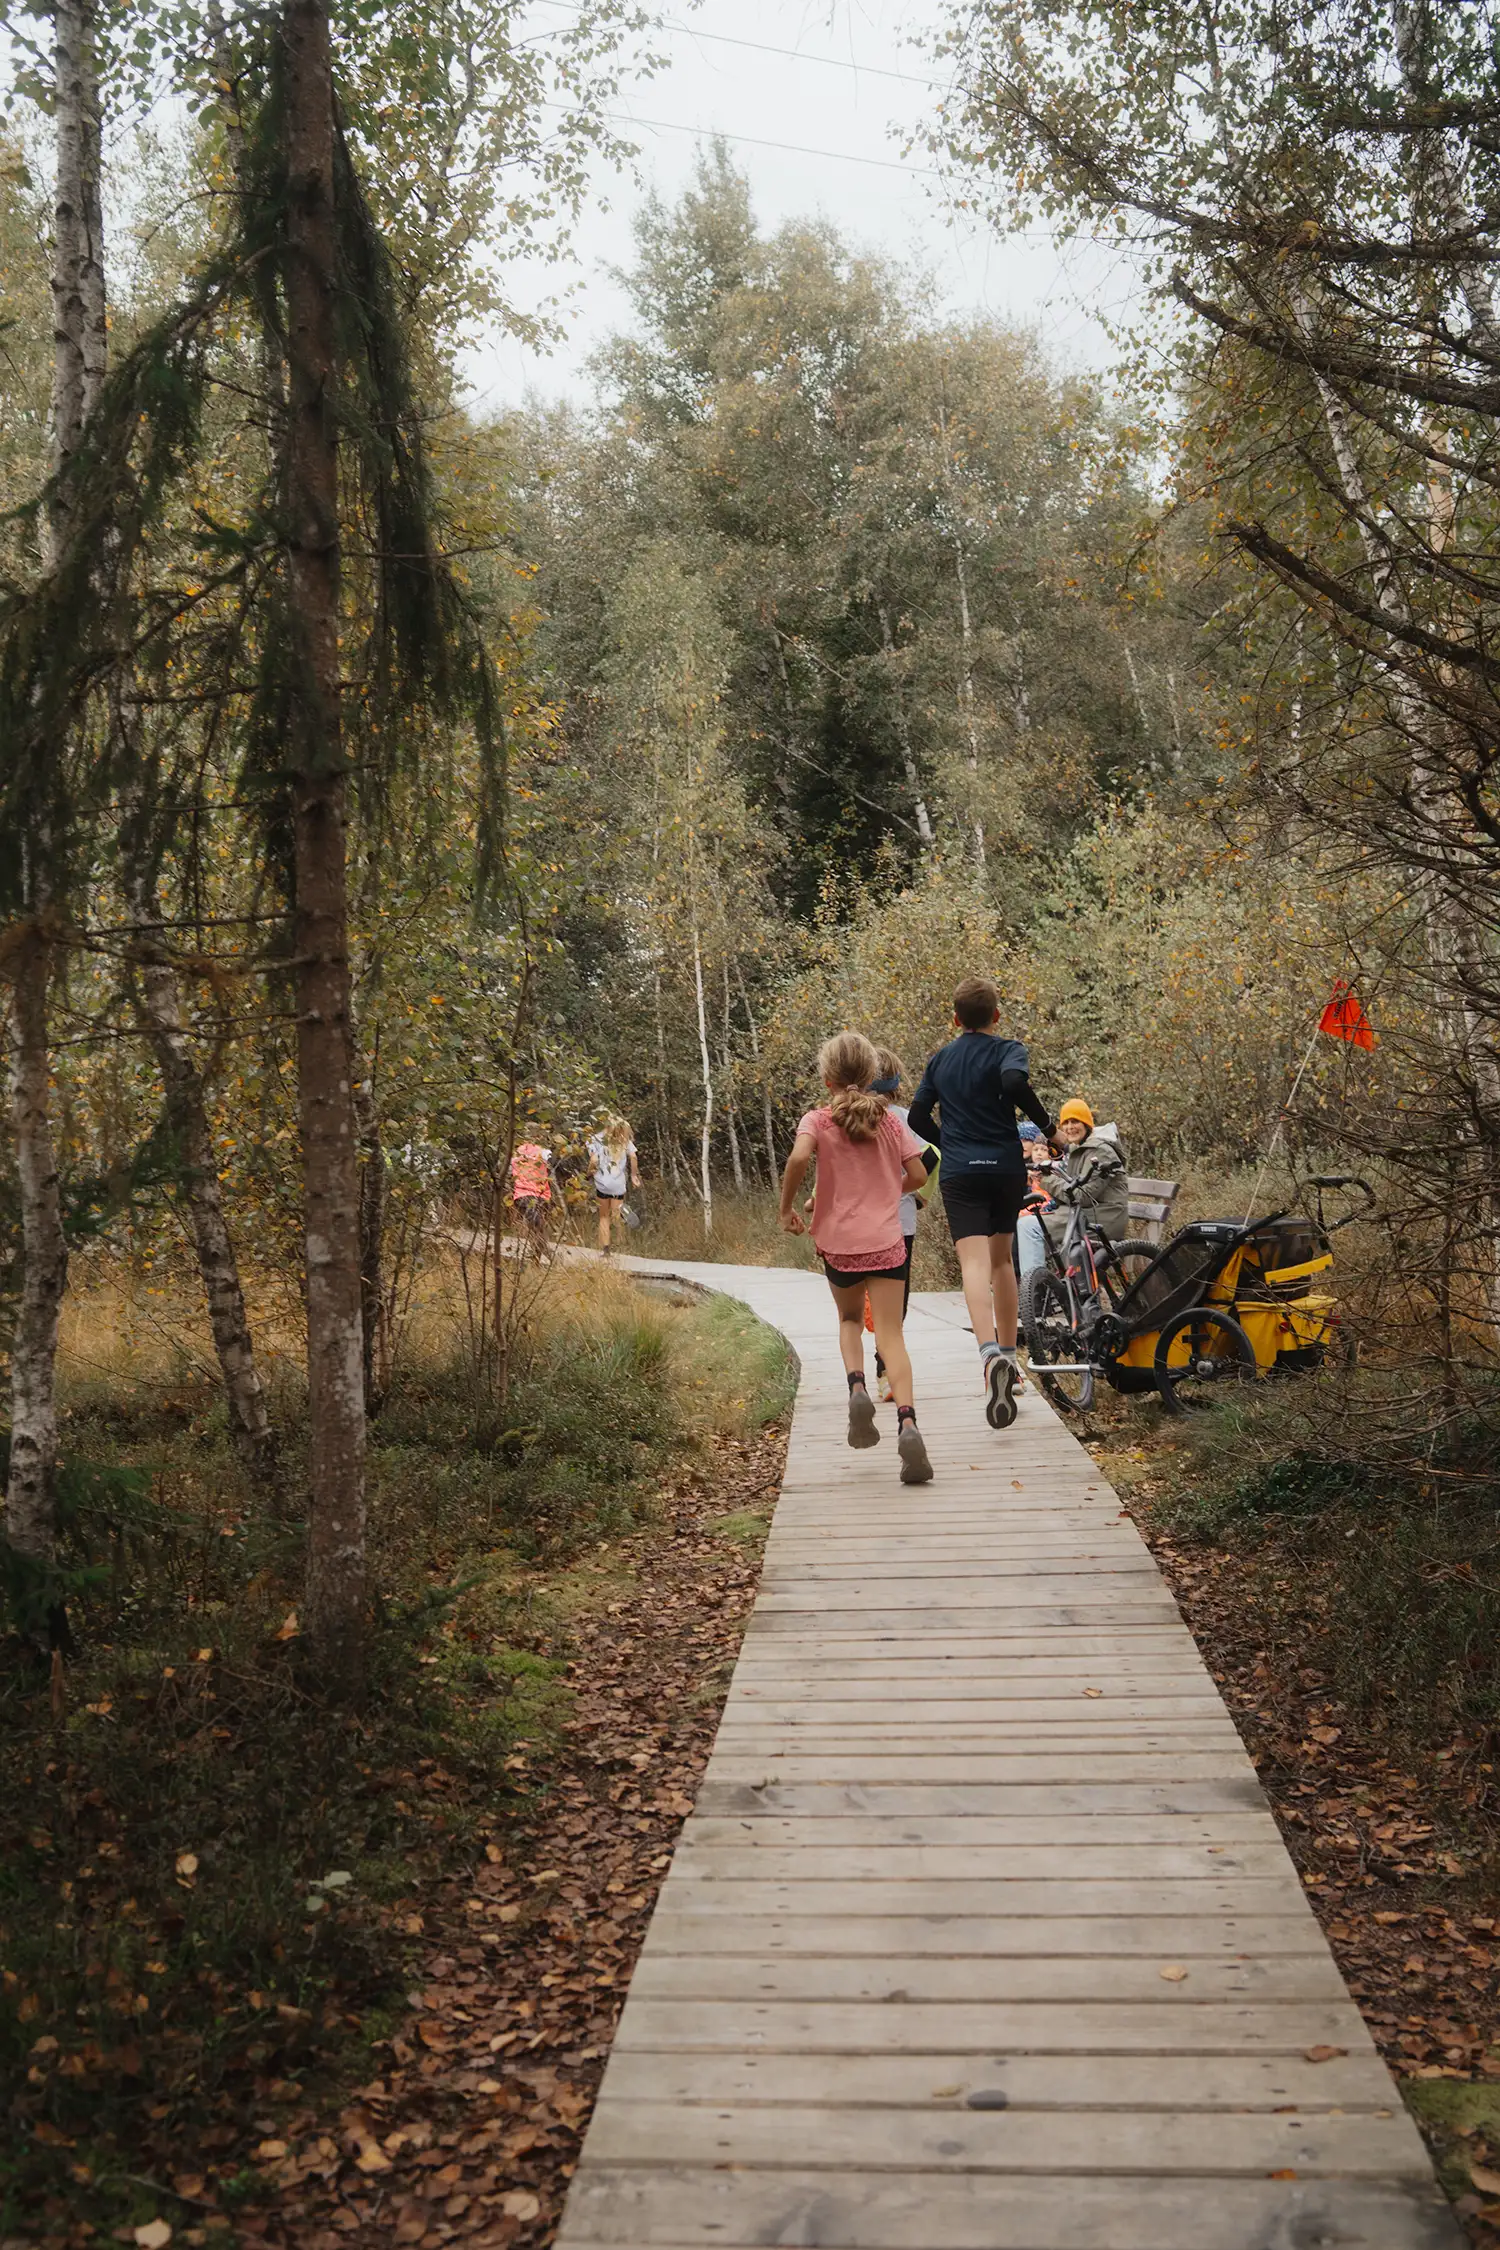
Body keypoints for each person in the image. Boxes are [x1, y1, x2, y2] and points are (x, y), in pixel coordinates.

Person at [779, 1030, 934, 1485]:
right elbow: (920, 1174)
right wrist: (887, 1192)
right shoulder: (889, 1121)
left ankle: (858, 1387)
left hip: (840, 1244)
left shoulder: (817, 1120)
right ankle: (907, 1422)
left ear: (827, 1077)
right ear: (870, 1076)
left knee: (850, 1321)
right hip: (887, 1240)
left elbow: (799, 1159)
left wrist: (789, 1206)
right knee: (892, 1334)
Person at [908, 976, 1055, 1431]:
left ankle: (989, 1356)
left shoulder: (940, 1060)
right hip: (1004, 1167)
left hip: (962, 1172)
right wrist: (1046, 1127)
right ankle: (1011, 1364)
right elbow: (1013, 1081)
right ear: (996, 1016)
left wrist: (949, 1144)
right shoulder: (1009, 1049)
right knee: (1001, 1263)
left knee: (972, 1264)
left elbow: (916, 1117)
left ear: (955, 1020)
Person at [869, 1047, 937, 1403]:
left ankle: (880, 1367)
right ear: (896, 1081)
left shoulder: (851, 1117)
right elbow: (933, 1155)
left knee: (870, 1297)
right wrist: (922, 1194)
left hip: (862, 1222)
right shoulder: (907, 1118)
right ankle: (885, 1370)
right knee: (898, 1299)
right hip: (901, 1219)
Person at [1043, 1098, 1131, 1252]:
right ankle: (1035, 1274)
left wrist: (1046, 1180)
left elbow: (1082, 1196)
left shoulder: (1100, 1151)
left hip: (1105, 1218)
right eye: (1066, 1122)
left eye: (1075, 1121)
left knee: (1032, 1229)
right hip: (1086, 1212)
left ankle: (1033, 1276)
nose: (1070, 1127)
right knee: (1026, 1223)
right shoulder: (1078, 1149)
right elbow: (1071, 1192)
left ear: (1087, 1124)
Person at [587, 1114, 641, 1252]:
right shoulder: (624, 1140)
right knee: (616, 1215)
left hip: (602, 1184)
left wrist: (589, 1174)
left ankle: (606, 1250)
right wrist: (634, 1176)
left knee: (603, 1216)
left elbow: (593, 1161)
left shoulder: (595, 1139)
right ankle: (621, 1243)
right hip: (618, 1185)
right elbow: (633, 1156)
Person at [1016, 1120, 1054, 1282]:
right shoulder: (1019, 1164)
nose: (1022, 1145)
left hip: (1041, 1209)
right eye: (1019, 1140)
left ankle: (1024, 1281)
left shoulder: (1042, 1169)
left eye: (1026, 1140)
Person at [508, 1136, 554, 1261]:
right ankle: (548, 1254)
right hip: (541, 1195)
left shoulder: (515, 1153)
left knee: (535, 1226)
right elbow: (553, 1164)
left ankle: (537, 1257)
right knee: (538, 1225)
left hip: (521, 1195)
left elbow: (507, 1172)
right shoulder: (544, 1152)